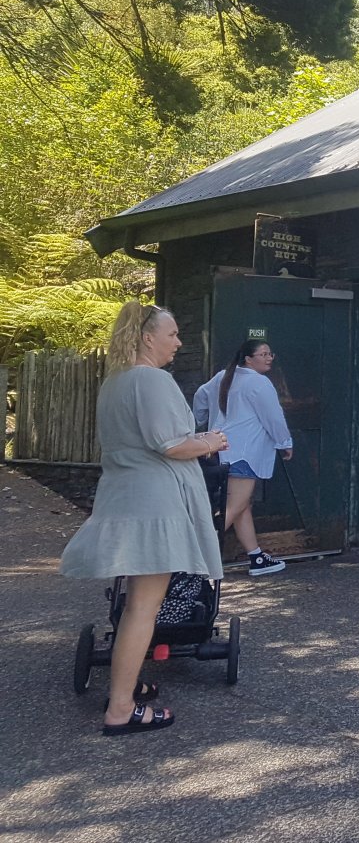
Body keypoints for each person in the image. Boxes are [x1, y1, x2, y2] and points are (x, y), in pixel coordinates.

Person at [60, 302, 228, 736]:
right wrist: (210, 441)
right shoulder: (152, 379)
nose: (178, 342)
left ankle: (126, 687)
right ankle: (120, 709)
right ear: (148, 337)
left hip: (124, 496)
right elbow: (170, 444)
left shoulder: (115, 381)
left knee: (136, 604)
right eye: (171, 334)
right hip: (155, 505)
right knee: (143, 608)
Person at [193, 339, 294, 576]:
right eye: (263, 354)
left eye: (271, 353)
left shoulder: (222, 377)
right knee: (235, 505)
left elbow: (200, 396)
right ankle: (194, 559)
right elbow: (273, 417)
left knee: (242, 506)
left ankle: (256, 556)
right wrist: (285, 442)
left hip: (220, 449)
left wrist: (201, 422)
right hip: (244, 454)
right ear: (249, 358)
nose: (269, 358)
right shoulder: (260, 383)